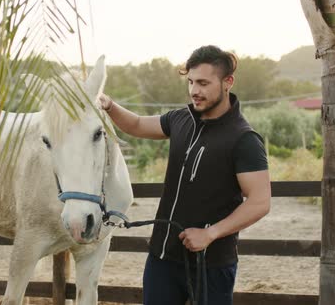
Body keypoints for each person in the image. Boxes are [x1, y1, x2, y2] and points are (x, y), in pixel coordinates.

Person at [98, 45, 271, 305]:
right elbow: (135, 124)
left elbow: (260, 202)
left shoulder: (243, 139)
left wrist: (210, 233)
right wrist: (109, 105)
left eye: (203, 83)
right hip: (162, 259)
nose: (194, 91)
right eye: (190, 82)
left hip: (210, 266)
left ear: (228, 82)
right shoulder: (181, 119)